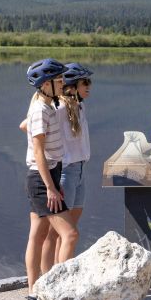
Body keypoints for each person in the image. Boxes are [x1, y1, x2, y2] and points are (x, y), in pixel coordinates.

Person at [22, 58, 79, 300]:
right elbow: (38, 153)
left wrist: (54, 181)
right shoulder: (40, 111)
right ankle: (58, 288)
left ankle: (34, 292)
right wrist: (50, 187)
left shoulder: (46, 105)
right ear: (46, 84)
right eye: (58, 80)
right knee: (70, 234)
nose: (63, 83)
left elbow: (26, 128)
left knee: (39, 234)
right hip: (41, 178)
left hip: (50, 174)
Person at [40, 62, 93, 271]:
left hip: (79, 171)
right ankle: (51, 280)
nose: (89, 86)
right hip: (65, 172)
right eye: (85, 82)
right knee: (56, 232)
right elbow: (28, 125)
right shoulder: (58, 108)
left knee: (70, 230)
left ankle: (60, 272)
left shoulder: (78, 106)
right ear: (71, 86)